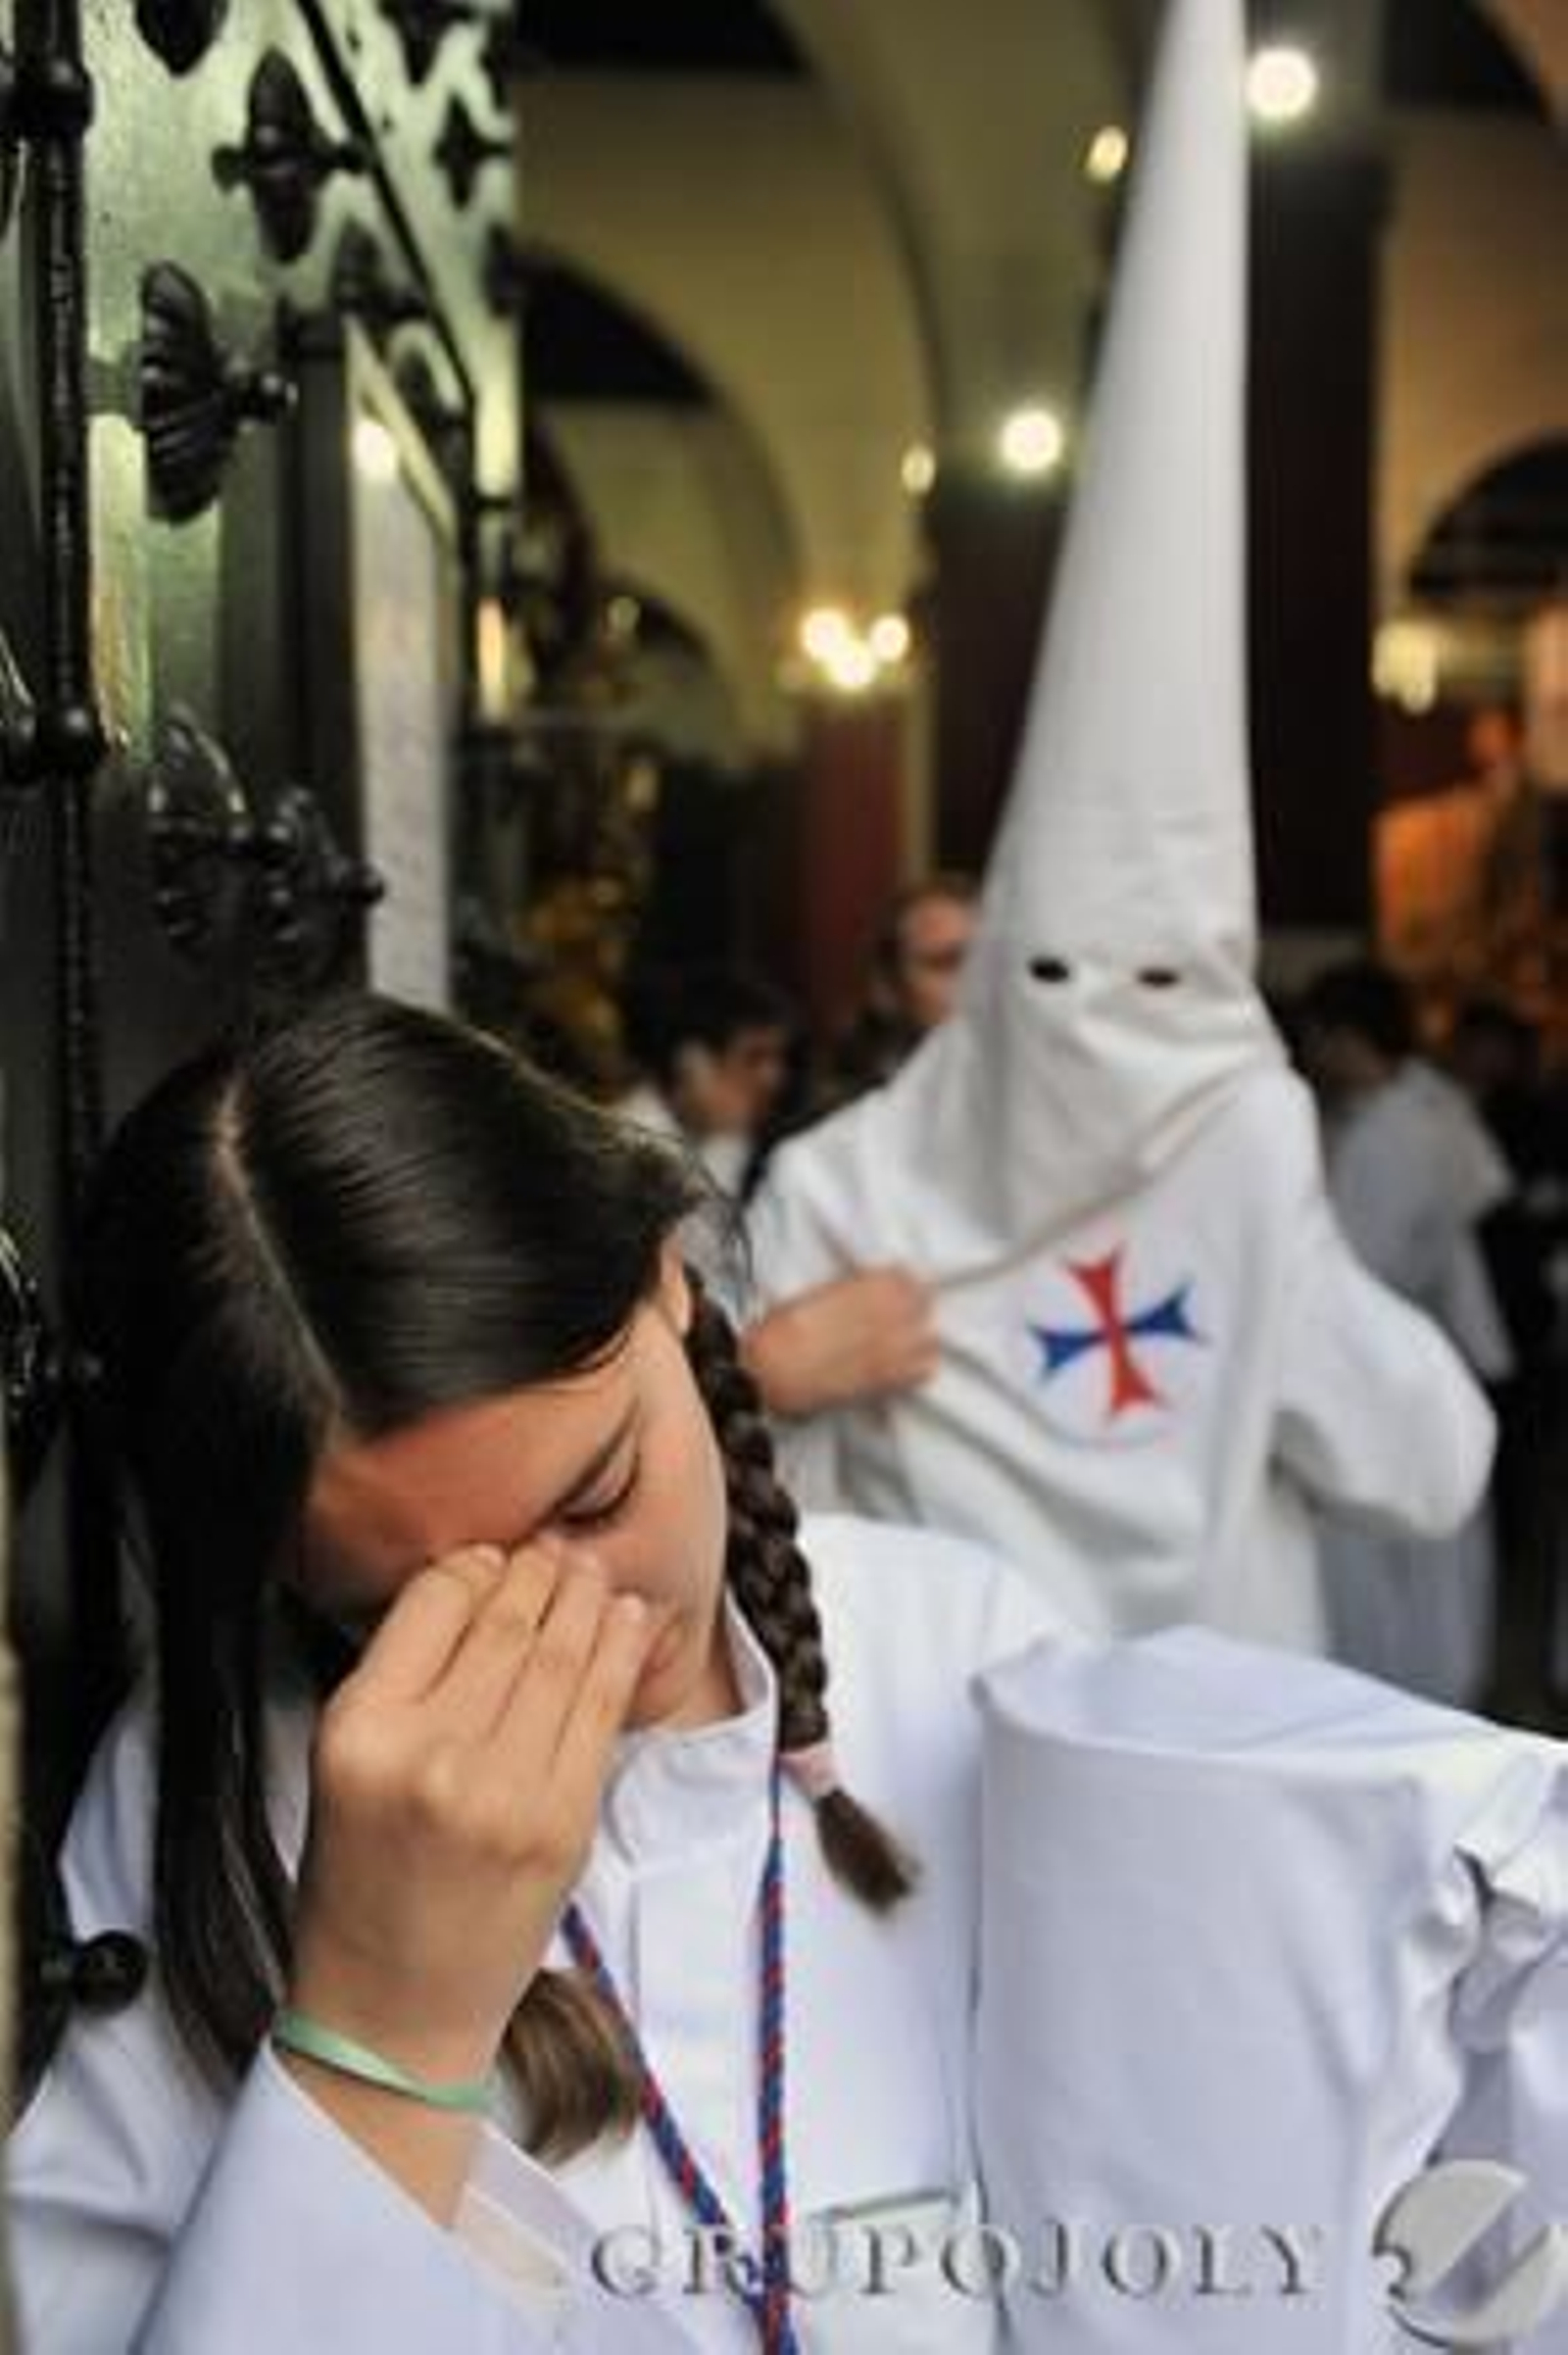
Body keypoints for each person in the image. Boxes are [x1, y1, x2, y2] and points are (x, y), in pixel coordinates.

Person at [8, 992, 1054, 2354]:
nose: (574, 1624)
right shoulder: (199, 1805)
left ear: (671, 1277)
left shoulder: (952, 1647)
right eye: (417, 1605)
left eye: (598, 1491)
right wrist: (385, 2038)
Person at [747, 0, 1494, 1652]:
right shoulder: (847, 1189)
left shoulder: (1222, 1147)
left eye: (1171, 988)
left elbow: (1430, 1466)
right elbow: (736, 1526)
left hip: (1187, 1774)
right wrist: (779, 1369)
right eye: (1074, 977)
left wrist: (1281, 1240)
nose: (1116, 1038)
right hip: (948, 1777)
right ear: (1002, 963)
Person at [1298, 960, 1514, 1703]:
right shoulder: (1409, 1112)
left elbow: (1363, 1262)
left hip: (1396, 1365)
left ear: (1343, 1038)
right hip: (1409, 1358)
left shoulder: (1397, 1132)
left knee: (1408, 1567)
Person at [823, 877, 979, 1106]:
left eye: (991, 963)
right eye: (947, 963)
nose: (976, 983)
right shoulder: (850, 1119)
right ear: (888, 988)